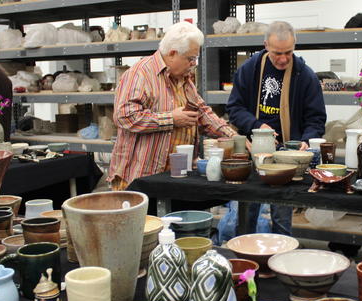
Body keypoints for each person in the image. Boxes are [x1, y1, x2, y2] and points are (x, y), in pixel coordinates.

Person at [108, 21, 236, 191]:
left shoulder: (184, 79)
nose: (194, 64)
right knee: (147, 219)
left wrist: (233, 136)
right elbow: (124, 116)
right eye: (191, 59)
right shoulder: (140, 74)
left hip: (173, 177)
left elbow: (203, 113)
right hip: (140, 178)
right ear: (173, 53)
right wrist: (171, 119)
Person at [227, 21, 326, 235]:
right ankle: (246, 262)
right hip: (253, 153)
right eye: (276, 53)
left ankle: (281, 262)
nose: (282, 59)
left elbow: (316, 118)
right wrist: (256, 126)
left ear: (295, 46)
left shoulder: (305, 76)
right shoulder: (250, 70)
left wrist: (306, 141)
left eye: (288, 53)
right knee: (244, 217)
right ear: (265, 45)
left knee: (281, 220)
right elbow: (234, 107)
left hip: (287, 158)